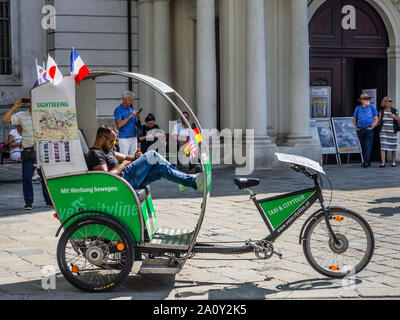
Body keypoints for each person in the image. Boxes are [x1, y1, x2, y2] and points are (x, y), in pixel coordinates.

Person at [85, 125, 203, 191]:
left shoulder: (106, 150)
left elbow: (125, 157)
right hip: (124, 180)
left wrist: (135, 157)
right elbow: (105, 177)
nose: (114, 144)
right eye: (112, 141)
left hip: (128, 177)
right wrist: (122, 166)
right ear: (102, 138)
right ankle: (181, 177)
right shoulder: (95, 154)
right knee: (152, 155)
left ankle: (191, 182)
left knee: (161, 168)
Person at [2, 98, 53, 210]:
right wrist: (14, 107)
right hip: (28, 151)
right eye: (29, 102)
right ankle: (28, 202)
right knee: (26, 178)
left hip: (41, 150)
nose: (31, 104)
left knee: (45, 177)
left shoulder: (43, 114)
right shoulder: (21, 115)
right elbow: (5, 119)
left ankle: (49, 201)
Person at [353, 93, 379, 168]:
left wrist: (374, 125)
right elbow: (354, 119)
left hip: (369, 129)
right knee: (362, 146)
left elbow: (376, 118)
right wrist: (356, 127)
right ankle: (367, 160)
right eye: (365, 98)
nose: (367, 100)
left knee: (368, 145)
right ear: (361, 100)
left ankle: (365, 162)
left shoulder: (372, 107)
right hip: (360, 129)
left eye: (368, 98)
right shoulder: (357, 108)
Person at [114, 90, 141, 155]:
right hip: (124, 138)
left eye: (132, 100)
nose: (132, 102)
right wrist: (130, 115)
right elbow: (119, 125)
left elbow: (135, 123)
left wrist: (138, 117)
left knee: (134, 158)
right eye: (130, 100)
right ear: (124, 99)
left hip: (133, 137)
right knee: (124, 158)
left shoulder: (131, 109)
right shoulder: (118, 110)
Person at [378, 97, 400, 167]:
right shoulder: (381, 111)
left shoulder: (395, 111)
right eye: (389, 101)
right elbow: (379, 121)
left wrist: (394, 117)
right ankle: (383, 163)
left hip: (392, 131)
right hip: (384, 132)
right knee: (383, 147)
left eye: (391, 101)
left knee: (393, 147)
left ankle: (393, 162)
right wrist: (373, 125)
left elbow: (399, 120)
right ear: (385, 102)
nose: (391, 102)